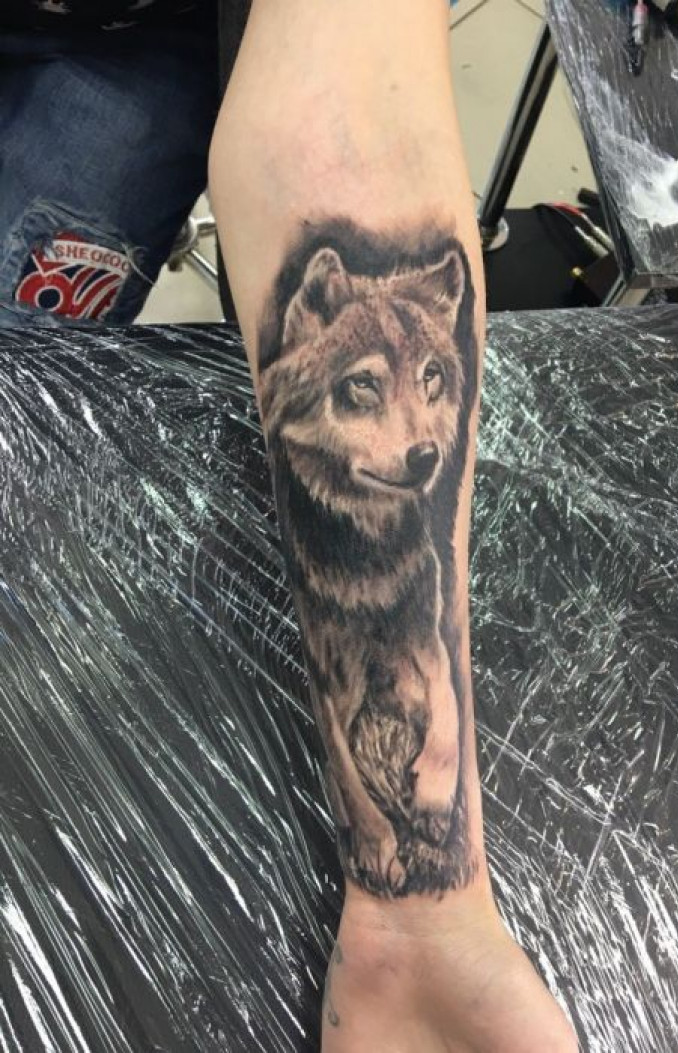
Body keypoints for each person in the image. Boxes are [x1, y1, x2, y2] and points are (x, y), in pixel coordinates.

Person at [1, 2, 578, 1050]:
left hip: (115, 37)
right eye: (366, 392)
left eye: (426, 390)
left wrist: (422, 907)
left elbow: (351, 117)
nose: (420, 440)